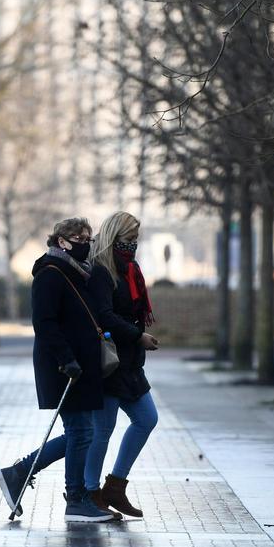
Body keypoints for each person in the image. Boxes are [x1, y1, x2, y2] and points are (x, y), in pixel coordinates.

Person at [0, 218, 115, 523]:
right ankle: (73, 498)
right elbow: (44, 323)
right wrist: (66, 359)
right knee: (81, 431)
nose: (86, 242)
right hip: (64, 367)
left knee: (81, 432)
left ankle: (21, 472)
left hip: (80, 366)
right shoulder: (50, 274)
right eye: (79, 237)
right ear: (62, 241)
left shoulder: (77, 273)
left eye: (89, 237)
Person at [84, 211, 159, 517]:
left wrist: (138, 337)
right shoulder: (102, 271)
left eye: (136, 240)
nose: (133, 246)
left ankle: (115, 487)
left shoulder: (131, 269)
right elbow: (104, 314)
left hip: (129, 363)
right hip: (110, 360)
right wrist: (137, 335)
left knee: (146, 419)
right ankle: (89, 493)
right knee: (102, 429)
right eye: (129, 240)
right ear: (115, 237)